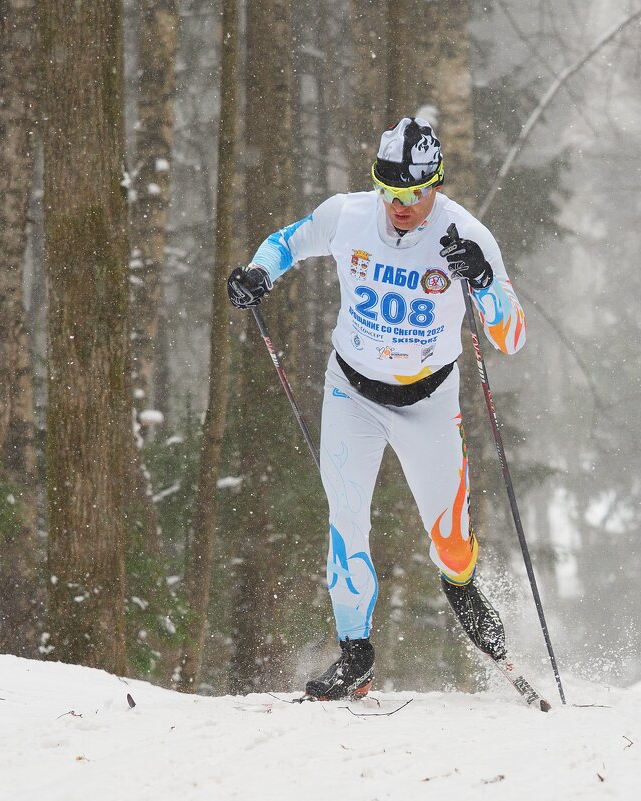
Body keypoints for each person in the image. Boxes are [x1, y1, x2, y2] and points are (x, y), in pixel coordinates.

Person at [226, 116, 527, 700]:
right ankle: (356, 654)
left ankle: (462, 586)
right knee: (346, 520)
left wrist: (484, 280)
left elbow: (511, 336)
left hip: (429, 401)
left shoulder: (466, 235)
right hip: (352, 393)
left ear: (435, 185)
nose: (401, 206)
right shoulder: (350, 215)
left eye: (414, 193)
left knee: (451, 541)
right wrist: (259, 274)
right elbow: (287, 242)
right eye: (390, 192)